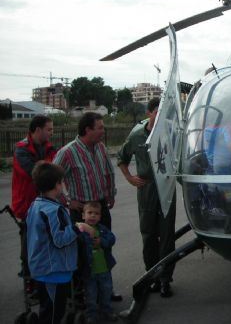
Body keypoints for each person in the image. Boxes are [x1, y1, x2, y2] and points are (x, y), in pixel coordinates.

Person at [54, 112, 122, 302]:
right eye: (100, 127)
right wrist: (67, 201)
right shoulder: (67, 152)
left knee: (104, 248)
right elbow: (51, 179)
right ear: (87, 130)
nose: (103, 130)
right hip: (81, 212)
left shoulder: (100, 147)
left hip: (101, 208)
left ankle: (105, 290)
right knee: (83, 255)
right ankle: (82, 294)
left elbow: (109, 172)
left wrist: (110, 193)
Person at [117, 98, 176, 298]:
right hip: (147, 187)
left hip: (166, 186)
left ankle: (165, 280)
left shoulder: (171, 132)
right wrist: (130, 178)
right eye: (157, 112)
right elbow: (121, 158)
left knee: (167, 236)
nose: (160, 116)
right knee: (149, 235)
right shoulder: (136, 135)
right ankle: (151, 276)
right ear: (149, 113)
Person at [26, 162, 80, 324]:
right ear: (57, 184)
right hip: (54, 270)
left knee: (47, 308)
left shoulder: (36, 205)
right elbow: (59, 240)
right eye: (61, 182)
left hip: (42, 266)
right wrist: (78, 228)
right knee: (54, 313)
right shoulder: (53, 210)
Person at [11, 115, 57, 293]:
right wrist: (45, 167)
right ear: (37, 130)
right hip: (27, 203)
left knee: (46, 242)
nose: (51, 133)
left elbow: (54, 169)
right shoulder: (22, 149)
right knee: (29, 243)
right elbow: (34, 174)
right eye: (49, 129)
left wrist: (42, 165)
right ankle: (30, 280)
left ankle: (43, 278)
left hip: (46, 203)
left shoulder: (48, 147)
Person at [79, 201, 118, 323]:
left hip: (104, 270)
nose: (93, 216)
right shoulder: (81, 232)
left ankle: (107, 311)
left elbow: (112, 238)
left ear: (100, 217)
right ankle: (92, 315)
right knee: (91, 295)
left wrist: (102, 242)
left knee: (106, 292)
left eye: (96, 213)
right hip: (89, 271)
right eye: (89, 213)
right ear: (83, 215)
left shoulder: (102, 229)